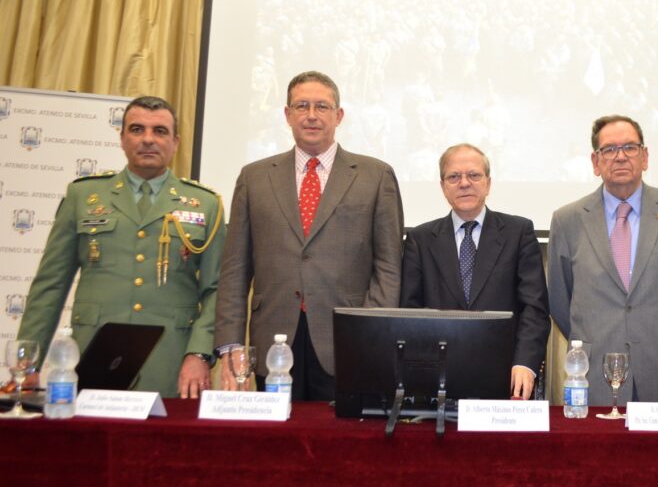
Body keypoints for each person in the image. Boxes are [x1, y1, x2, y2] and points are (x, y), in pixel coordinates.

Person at [17, 96, 224, 398]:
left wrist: (199, 354)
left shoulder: (205, 204)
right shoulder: (84, 196)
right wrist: (27, 363)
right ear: (122, 138)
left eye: (160, 131)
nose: (148, 140)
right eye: (137, 130)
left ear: (176, 142)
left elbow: (217, 289)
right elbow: (50, 285)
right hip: (94, 353)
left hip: (171, 361)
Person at [214, 71, 404, 401]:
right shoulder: (254, 177)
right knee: (273, 446)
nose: (312, 115)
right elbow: (235, 268)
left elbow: (388, 266)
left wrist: (369, 332)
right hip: (272, 339)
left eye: (322, 106)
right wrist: (230, 343)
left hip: (345, 341)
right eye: (302, 105)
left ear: (339, 115)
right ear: (287, 114)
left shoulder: (376, 176)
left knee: (341, 445)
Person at [547, 115, 658, 404]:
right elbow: (560, 302)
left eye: (630, 147)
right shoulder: (567, 220)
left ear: (644, 157)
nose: (620, 156)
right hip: (593, 376)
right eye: (609, 149)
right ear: (595, 162)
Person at [401, 144, 550, 399]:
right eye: (454, 177)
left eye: (474, 175)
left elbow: (534, 309)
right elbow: (409, 313)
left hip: (506, 379)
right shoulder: (420, 239)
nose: (464, 183)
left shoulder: (519, 232)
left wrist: (524, 363)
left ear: (488, 183)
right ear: (442, 186)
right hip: (436, 381)